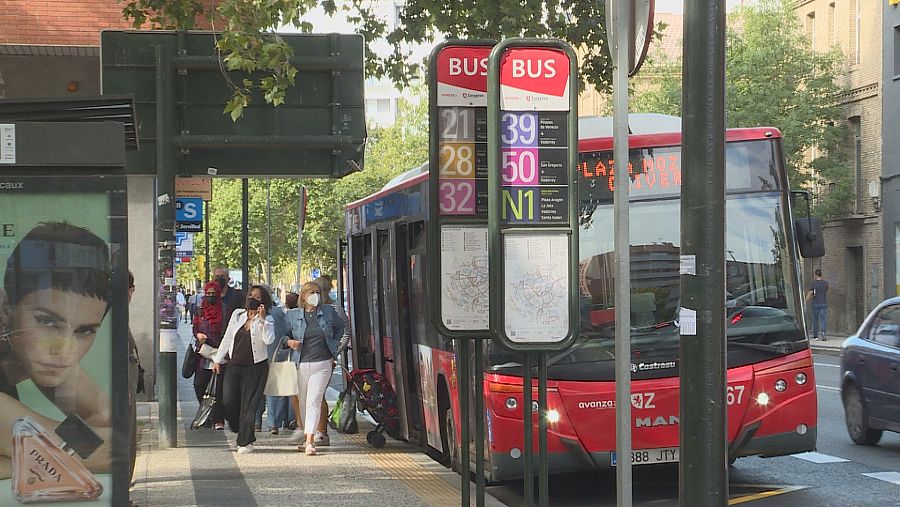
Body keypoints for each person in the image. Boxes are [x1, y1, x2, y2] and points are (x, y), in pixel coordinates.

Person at [0, 222, 114, 478]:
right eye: (47, 322)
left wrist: (18, 457)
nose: (65, 350)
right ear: (7, 310)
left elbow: (110, 430)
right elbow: (101, 452)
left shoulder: (29, 353)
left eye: (84, 330)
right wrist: (46, 451)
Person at [212, 285, 275, 453]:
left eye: (257, 297)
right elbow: (227, 337)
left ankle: (244, 441)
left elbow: (269, 340)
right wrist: (218, 359)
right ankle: (238, 428)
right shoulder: (237, 315)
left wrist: (261, 320)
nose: (252, 299)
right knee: (228, 400)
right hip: (234, 365)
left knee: (249, 405)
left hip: (255, 367)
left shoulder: (268, 319)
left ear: (263, 302)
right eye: (250, 295)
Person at [284, 282, 346, 455]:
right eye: (312, 292)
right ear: (303, 296)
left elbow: (342, 329)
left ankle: (310, 441)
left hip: (323, 363)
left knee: (314, 400)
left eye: (318, 292)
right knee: (303, 401)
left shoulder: (329, 312)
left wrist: (334, 348)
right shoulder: (292, 315)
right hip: (300, 363)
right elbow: (282, 335)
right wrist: (289, 342)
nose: (316, 295)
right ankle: (306, 435)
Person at [192, 281, 226, 430]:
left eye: (213, 294)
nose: (210, 296)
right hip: (204, 354)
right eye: (208, 294)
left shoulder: (225, 310)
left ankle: (218, 419)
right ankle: (207, 414)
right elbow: (195, 328)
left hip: (220, 353)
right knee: (199, 384)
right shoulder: (200, 311)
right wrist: (198, 334)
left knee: (218, 388)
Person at [807, 269, 829, 341]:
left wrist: (805, 301)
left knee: (815, 320)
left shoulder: (814, 283)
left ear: (815, 275)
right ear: (821, 275)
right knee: (823, 319)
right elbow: (826, 290)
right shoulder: (825, 283)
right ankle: (823, 334)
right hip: (824, 303)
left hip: (816, 303)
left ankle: (815, 336)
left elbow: (810, 293)